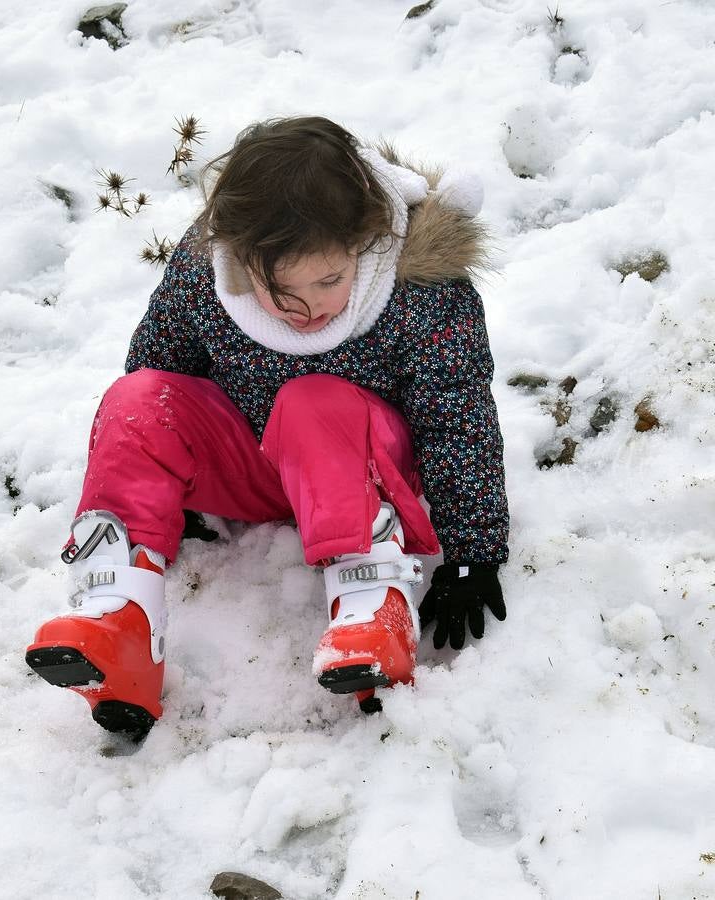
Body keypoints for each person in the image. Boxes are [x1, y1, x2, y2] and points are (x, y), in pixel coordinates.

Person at [25, 116, 509, 740]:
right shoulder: (209, 274)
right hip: (257, 466)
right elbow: (162, 376)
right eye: (282, 289)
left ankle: (371, 610)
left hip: (364, 473)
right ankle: (119, 617)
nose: (309, 309)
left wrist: (474, 550)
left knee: (313, 400)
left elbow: (457, 421)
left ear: (365, 240)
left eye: (330, 281)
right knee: (137, 395)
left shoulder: (420, 291)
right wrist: (163, 487)